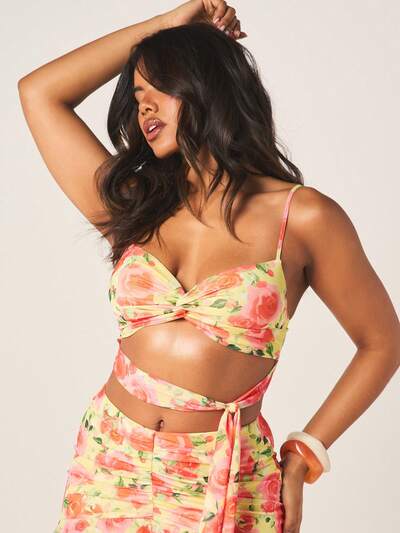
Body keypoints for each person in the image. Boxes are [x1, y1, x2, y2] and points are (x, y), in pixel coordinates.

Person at [18, 1, 399, 532]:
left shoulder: (303, 217)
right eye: (137, 97)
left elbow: (382, 342)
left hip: (226, 481)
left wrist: (306, 452)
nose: (144, 109)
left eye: (159, 88)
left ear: (209, 86)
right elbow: (38, 92)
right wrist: (167, 25)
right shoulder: (136, 205)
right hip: (110, 467)